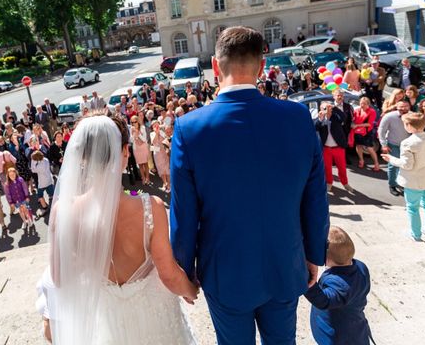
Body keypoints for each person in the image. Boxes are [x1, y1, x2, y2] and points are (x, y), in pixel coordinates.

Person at [170, 27, 329, 344]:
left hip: (225, 271)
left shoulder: (189, 128)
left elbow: (184, 212)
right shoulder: (297, 116)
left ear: (215, 67)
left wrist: (184, 270)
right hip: (285, 262)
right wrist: (313, 254)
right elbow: (315, 197)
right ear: (261, 66)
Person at [43, 115, 197, 344]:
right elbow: (169, 274)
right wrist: (190, 289)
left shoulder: (62, 212)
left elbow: (59, 278)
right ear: (125, 152)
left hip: (108, 321)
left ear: (82, 157)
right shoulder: (150, 207)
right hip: (155, 321)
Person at [381, 112, 425, 241]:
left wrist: (391, 159)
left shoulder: (407, 143)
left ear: (409, 126)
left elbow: (407, 165)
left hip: (414, 181)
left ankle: (416, 234)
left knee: (412, 207)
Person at [304, 227, 372, 345]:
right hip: (356, 328)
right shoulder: (361, 267)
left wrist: (307, 281)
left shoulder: (340, 285)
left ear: (326, 257)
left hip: (338, 338)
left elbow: (324, 300)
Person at [377, 101, 411, 196]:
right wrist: (383, 144)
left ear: (409, 107)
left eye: (405, 106)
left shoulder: (412, 116)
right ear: (396, 106)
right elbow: (381, 130)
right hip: (393, 144)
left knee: (406, 166)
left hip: (408, 146)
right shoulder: (389, 116)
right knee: (393, 166)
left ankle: (403, 185)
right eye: (401, 107)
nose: (403, 109)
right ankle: (392, 185)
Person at [316, 103, 351, 193]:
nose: (326, 109)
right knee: (327, 168)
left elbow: (344, 118)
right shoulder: (321, 119)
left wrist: (334, 108)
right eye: (324, 108)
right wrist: (320, 118)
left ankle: (345, 183)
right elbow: (316, 127)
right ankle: (329, 183)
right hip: (326, 148)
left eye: (328, 108)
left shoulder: (336, 117)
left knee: (342, 167)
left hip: (338, 147)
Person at [352, 97, 380, 172]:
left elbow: (369, 124)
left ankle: (376, 163)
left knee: (369, 148)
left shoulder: (372, 111)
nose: (362, 105)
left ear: (368, 104)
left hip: (367, 132)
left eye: (364, 104)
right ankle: (361, 160)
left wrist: (357, 125)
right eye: (361, 103)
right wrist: (352, 123)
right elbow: (353, 119)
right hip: (357, 132)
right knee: (358, 145)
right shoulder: (357, 110)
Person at [30, 150, 54, 219]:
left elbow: (33, 170)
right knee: (52, 193)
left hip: (42, 183)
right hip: (49, 180)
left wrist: (33, 161)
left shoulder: (39, 166)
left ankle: (45, 208)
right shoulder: (46, 160)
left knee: (40, 195)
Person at [150, 120, 171, 193]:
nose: (156, 127)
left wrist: (160, 133)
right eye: (154, 125)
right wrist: (156, 133)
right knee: (161, 169)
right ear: (152, 127)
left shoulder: (162, 132)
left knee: (167, 168)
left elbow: (166, 140)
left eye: (157, 125)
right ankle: (164, 183)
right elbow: (153, 142)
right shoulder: (152, 134)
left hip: (164, 152)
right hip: (157, 153)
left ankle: (169, 184)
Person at [131, 115, 150, 186]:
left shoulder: (142, 128)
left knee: (145, 163)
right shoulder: (131, 129)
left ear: (137, 121)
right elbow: (131, 140)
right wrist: (133, 135)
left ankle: (147, 178)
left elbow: (144, 139)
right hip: (136, 148)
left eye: (135, 122)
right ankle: (143, 178)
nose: (133, 124)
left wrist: (137, 133)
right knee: (140, 164)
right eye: (132, 122)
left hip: (143, 147)